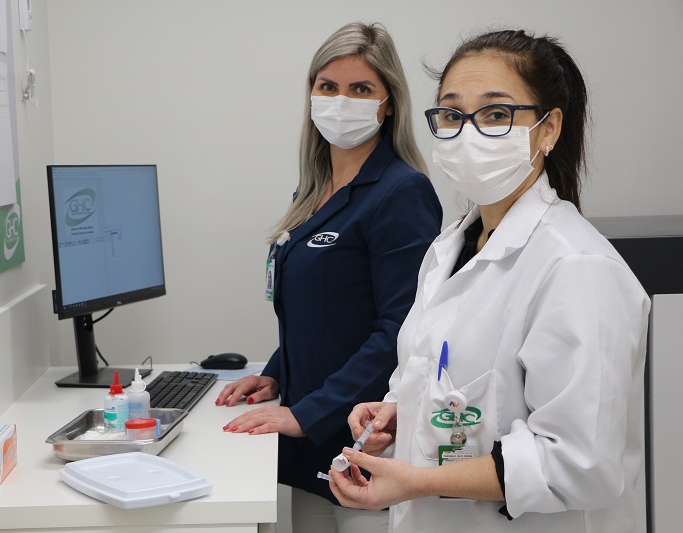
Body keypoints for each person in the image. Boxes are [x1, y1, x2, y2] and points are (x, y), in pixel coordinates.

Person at [329, 29, 650, 533]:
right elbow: (447, 376)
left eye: (496, 114)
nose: (468, 134)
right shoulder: (451, 247)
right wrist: (400, 411)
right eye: (452, 115)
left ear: (548, 129)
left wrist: (416, 480)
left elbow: (577, 463)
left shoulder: (578, 267)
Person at [215, 22, 442, 533]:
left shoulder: (401, 193)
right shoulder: (315, 189)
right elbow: (319, 310)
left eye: (360, 89)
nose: (341, 101)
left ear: (388, 102)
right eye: (328, 87)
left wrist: (307, 413)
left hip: (363, 444)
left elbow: (400, 331)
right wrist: (276, 372)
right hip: (309, 438)